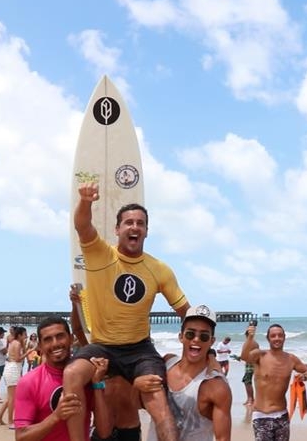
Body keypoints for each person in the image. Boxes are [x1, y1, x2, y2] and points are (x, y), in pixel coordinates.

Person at [63, 182, 190, 441]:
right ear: (117, 229)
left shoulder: (159, 269)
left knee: (160, 406)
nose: (135, 227)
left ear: (146, 231)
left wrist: (199, 351)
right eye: (129, 222)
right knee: (72, 374)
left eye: (140, 223)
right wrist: (86, 201)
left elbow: (186, 313)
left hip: (140, 349)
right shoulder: (99, 254)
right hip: (102, 346)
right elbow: (82, 226)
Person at [135, 305, 232, 441]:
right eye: (190, 334)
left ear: (212, 341)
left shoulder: (216, 387)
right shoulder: (166, 364)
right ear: (181, 336)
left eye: (204, 336)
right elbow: (138, 404)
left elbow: (223, 438)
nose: (196, 339)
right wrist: (137, 385)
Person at [14, 316, 112, 441]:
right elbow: (21, 437)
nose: (55, 343)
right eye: (48, 340)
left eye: (60, 336)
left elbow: (104, 431)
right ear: (40, 346)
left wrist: (97, 384)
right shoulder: (29, 382)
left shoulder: (84, 377)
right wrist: (56, 416)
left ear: (71, 339)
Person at [69, 283, 142, 441]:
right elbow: (77, 329)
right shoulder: (97, 351)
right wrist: (76, 305)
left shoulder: (136, 353)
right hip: (102, 430)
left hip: (129, 429)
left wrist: (210, 356)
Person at [241, 322, 307, 441]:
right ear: (268, 338)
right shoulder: (260, 355)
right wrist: (250, 337)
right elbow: (244, 356)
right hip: (261, 416)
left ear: (285, 337)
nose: (277, 338)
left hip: (282, 416)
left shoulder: (291, 359)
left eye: (280, 335)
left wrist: (304, 376)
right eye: (273, 336)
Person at [0, 326, 28, 428]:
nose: (26, 336)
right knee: (12, 398)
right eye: (24, 334)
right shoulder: (17, 343)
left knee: (10, 397)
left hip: (12, 369)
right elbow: (18, 359)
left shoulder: (15, 342)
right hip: (13, 369)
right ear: (20, 335)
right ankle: (10, 421)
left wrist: (25, 346)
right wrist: (29, 351)